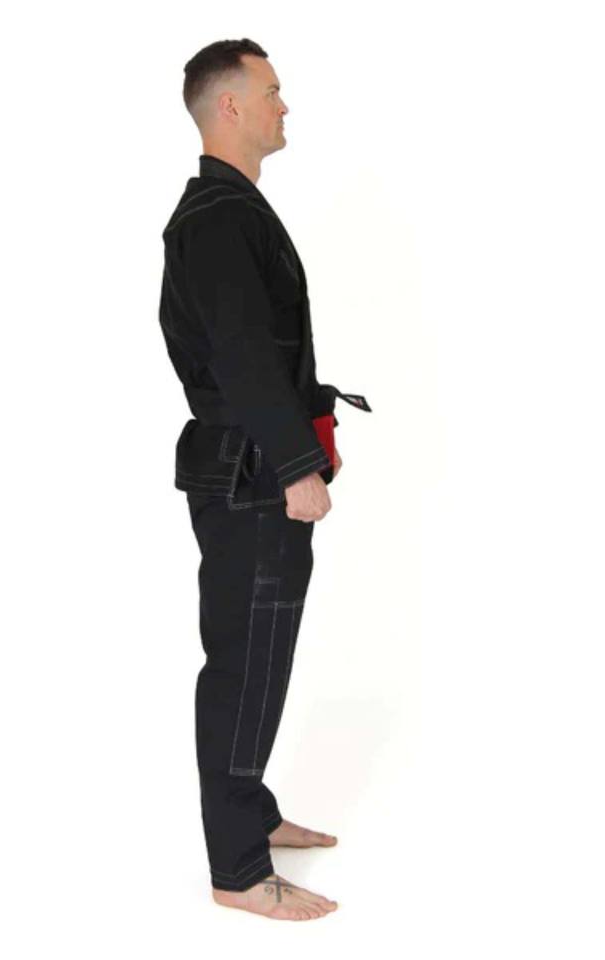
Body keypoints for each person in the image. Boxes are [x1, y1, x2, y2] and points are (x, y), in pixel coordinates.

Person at [157, 38, 371, 921]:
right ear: (230, 106)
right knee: (244, 665)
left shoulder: (232, 209)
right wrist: (293, 466)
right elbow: (243, 359)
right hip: (250, 477)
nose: (285, 106)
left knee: (260, 656)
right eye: (273, 91)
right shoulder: (216, 218)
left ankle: (252, 813)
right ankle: (239, 871)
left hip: (255, 468)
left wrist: (310, 437)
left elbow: (266, 355)